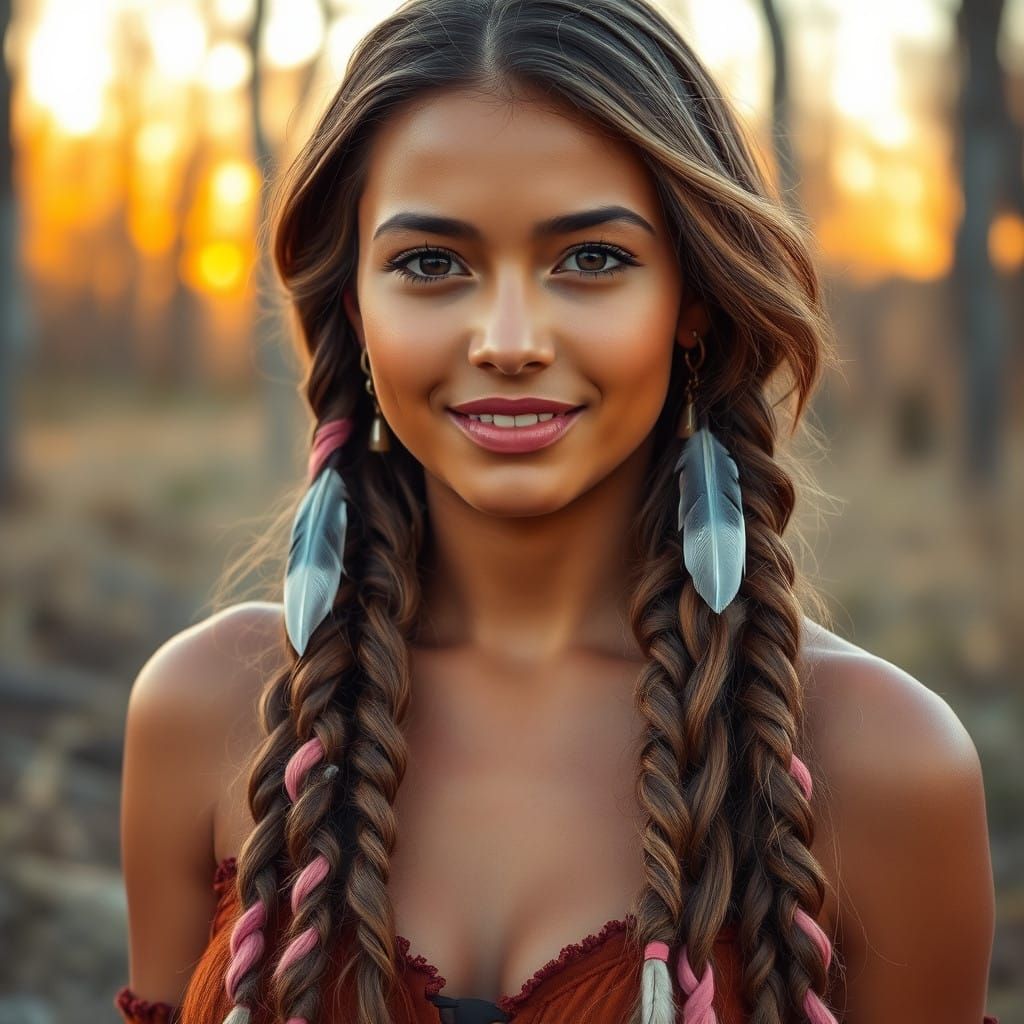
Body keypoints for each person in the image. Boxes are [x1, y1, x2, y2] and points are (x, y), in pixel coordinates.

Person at [114, 1, 999, 1022]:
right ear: (356, 308)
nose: (508, 337)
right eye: (430, 263)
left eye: (590, 259)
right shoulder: (204, 712)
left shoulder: (878, 762)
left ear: (694, 304)